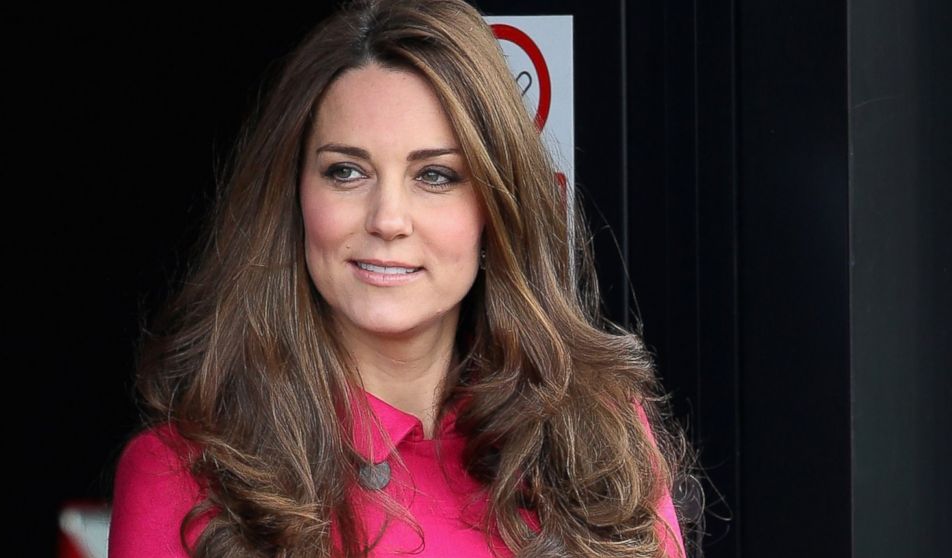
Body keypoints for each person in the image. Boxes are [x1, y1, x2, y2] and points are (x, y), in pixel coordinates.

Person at [109, 0, 692, 556]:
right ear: (294, 199)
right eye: (346, 171)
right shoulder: (184, 477)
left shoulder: (597, 439)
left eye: (435, 176)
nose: (388, 219)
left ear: (495, 208)